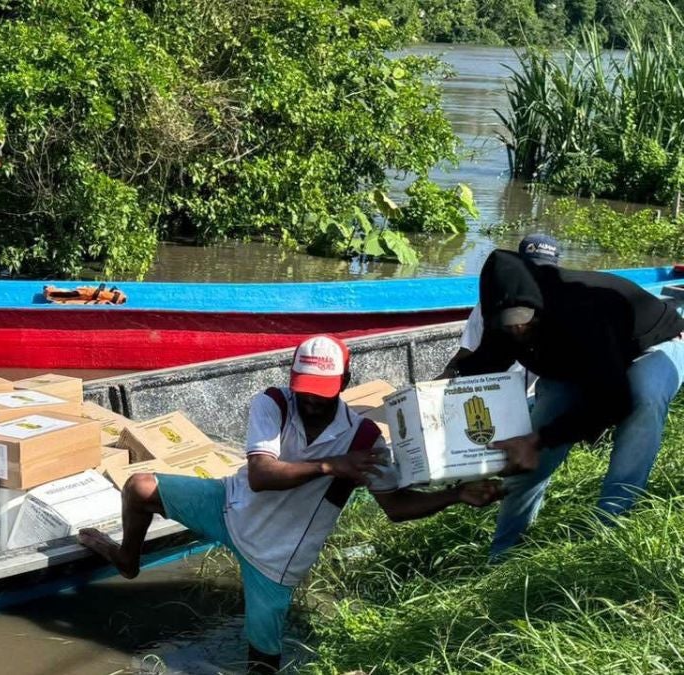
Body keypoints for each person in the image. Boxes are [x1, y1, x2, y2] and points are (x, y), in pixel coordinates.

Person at [78, 335, 503, 674]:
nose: (312, 400)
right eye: (305, 390)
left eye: (323, 391)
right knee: (139, 487)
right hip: (230, 505)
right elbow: (261, 476)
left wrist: (455, 496)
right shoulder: (275, 403)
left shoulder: (364, 441)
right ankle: (128, 560)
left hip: (275, 559)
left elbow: (395, 507)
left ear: (346, 381)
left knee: (263, 660)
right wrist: (331, 466)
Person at [457, 250, 684, 559]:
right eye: (507, 325)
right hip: (576, 363)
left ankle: (608, 532)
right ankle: (503, 553)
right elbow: (487, 365)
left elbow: (614, 400)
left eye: (524, 320)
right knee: (530, 454)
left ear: (537, 304)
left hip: (652, 344)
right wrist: (447, 386)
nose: (518, 330)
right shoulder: (502, 321)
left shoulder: (581, 308)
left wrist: (539, 439)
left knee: (642, 398)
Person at [438, 233, 562, 387]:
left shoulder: (564, 306)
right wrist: (448, 374)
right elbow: (468, 350)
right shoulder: (491, 303)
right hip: (496, 390)